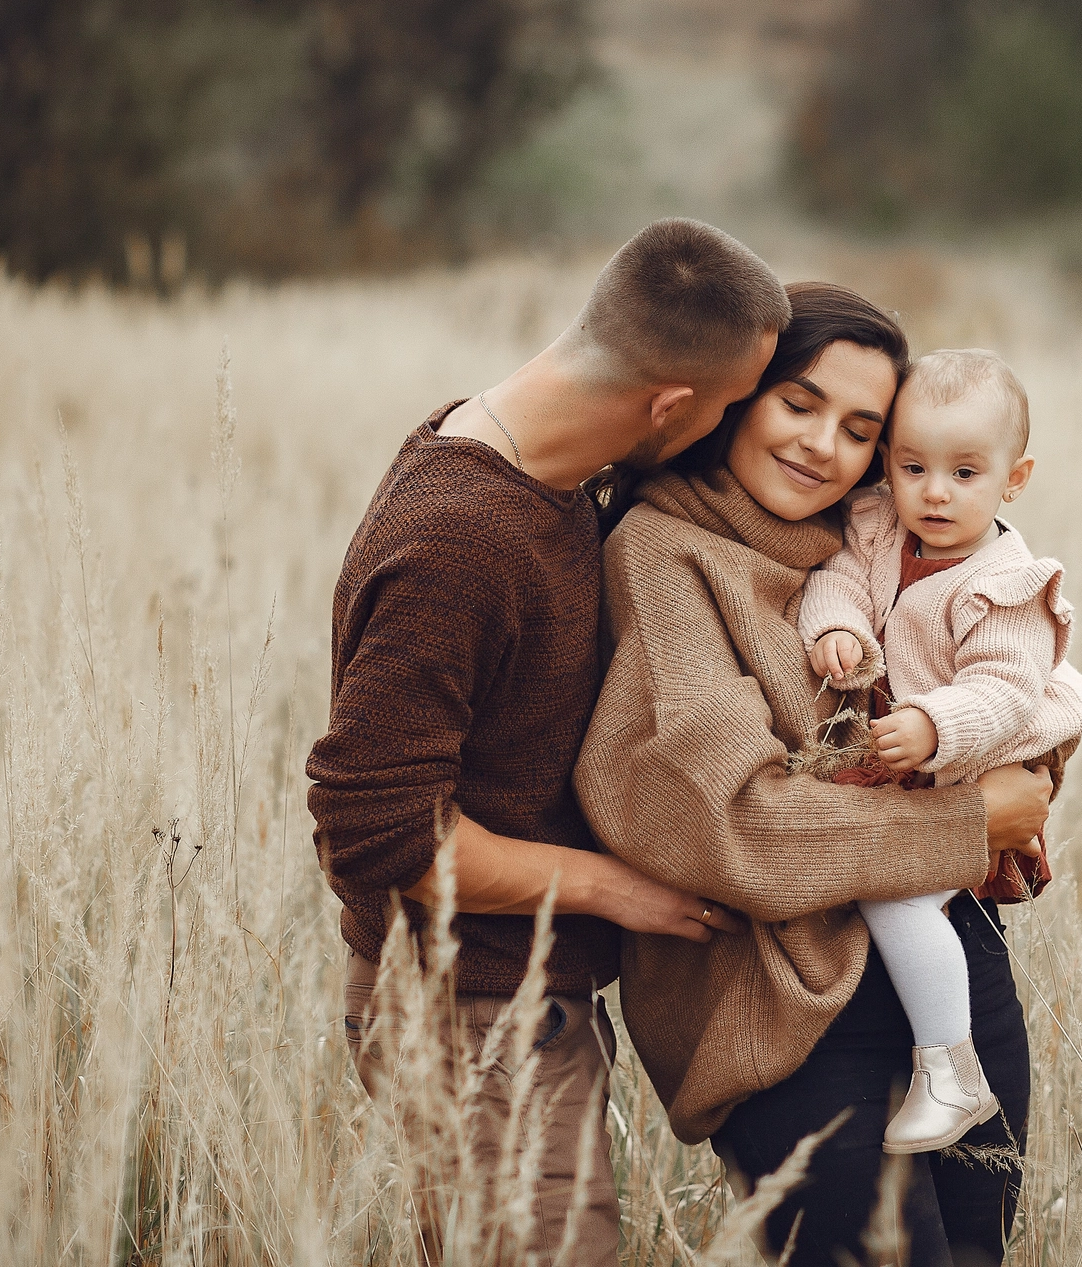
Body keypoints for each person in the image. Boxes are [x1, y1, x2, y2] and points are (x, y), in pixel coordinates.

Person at [305, 218, 788, 1265]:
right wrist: (614, 888)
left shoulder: (540, 462)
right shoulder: (459, 539)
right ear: (666, 403)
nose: (732, 426)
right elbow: (372, 829)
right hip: (471, 1013)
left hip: (509, 1007)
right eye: (726, 406)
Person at [573, 285, 1070, 1267]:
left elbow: (1014, 688)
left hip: (951, 970)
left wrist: (1027, 755)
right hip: (789, 1007)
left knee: (976, 1251)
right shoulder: (663, 552)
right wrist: (970, 821)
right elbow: (733, 819)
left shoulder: (880, 537)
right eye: (797, 402)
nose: (821, 446)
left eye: (859, 428)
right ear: (736, 395)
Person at [797, 347, 1082, 1154]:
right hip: (907, 784)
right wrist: (838, 629)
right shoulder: (877, 527)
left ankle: (951, 1070)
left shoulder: (1008, 583)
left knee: (894, 896)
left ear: (1014, 477)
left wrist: (933, 724)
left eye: (965, 472)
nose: (934, 491)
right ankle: (940, 1062)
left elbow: (1004, 689)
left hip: (960, 770)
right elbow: (839, 581)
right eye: (913, 465)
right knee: (886, 890)